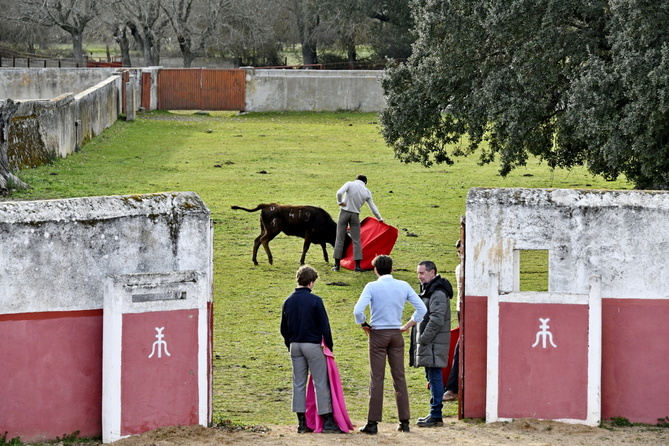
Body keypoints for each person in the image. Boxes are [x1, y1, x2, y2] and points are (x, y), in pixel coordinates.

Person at [353, 255, 427, 434]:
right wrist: (408, 324)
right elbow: (422, 309)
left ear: (375, 270)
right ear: (392, 269)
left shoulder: (372, 286)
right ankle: (404, 421)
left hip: (377, 334)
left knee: (377, 378)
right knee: (399, 377)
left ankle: (372, 423)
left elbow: (358, 311)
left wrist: (363, 323)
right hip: (396, 333)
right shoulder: (403, 285)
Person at [280, 265, 343, 434]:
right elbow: (325, 326)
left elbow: (283, 329)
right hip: (313, 345)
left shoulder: (288, 301)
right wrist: (329, 346)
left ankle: (301, 423)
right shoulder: (315, 300)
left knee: (298, 383)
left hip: (295, 345)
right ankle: (327, 422)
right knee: (320, 382)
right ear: (311, 282)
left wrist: (290, 344)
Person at [410, 260, 453, 427]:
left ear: (432, 272)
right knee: (431, 377)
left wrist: (423, 339)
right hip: (432, 343)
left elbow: (436, 319)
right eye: (418, 273)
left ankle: (436, 414)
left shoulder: (437, 293)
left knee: (434, 378)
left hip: (434, 343)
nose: (419, 277)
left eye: (422, 273)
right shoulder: (432, 290)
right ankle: (434, 413)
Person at [332, 174, 383, 272]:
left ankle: (337, 265)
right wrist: (380, 218)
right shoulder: (367, 191)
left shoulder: (350, 184)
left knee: (339, 239)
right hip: (355, 215)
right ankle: (357, 266)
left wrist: (339, 202)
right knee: (357, 241)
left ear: (356, 179)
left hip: (344, 213)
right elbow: (373, 208)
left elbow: (339, 192)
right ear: (365, 183)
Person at [444, 239, 464, 402]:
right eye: (458, 252)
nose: (460, 255)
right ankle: (453, 387)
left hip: (463, 307)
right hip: (463, 308)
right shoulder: (461, 268)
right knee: (461, 344)